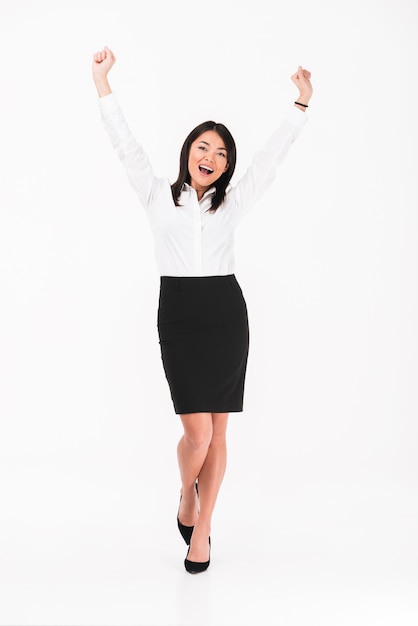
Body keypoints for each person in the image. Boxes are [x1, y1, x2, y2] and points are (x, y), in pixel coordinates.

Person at [92, 47, 313, 574]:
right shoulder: (156, 195)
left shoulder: (233, 202)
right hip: (179, 315)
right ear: (188, 152)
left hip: (225, 316)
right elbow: (124, 143)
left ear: (227, 165)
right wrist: (102, 83)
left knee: (219, 434)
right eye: (203, 146)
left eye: (221, 153)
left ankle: (203, 526)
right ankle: (185, 494)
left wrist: (301, 104)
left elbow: (271, 159)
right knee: (198, 435)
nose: (210, 156)